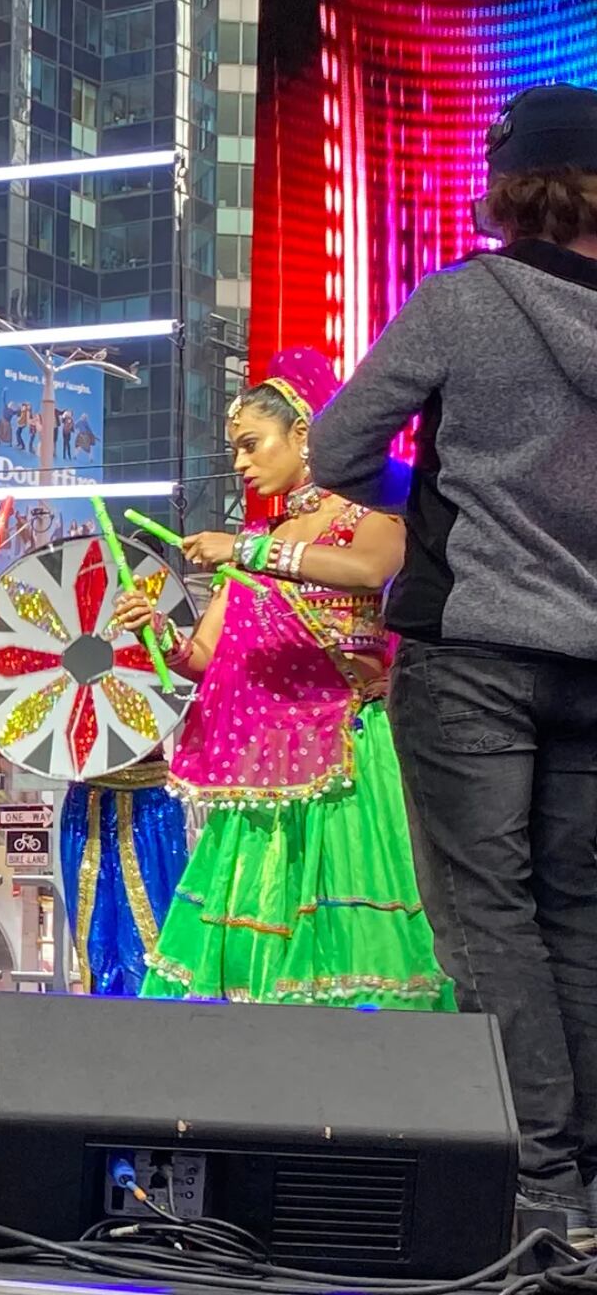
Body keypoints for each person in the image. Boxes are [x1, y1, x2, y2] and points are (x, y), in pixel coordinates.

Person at [308, 84, 597, 1225]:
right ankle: (587, 1178)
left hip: (471, 649)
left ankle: (541, 1183)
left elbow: (336, 450)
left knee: (487, 916)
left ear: (510, 182)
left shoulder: (464, 300)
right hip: (593, 664)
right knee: (579, 912)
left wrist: (437, 491)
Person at [109, 374, 450, 1012]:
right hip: (265, 766)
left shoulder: (370, 507)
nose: (240, 463)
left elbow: (370, 570)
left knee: (353, 934)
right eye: (235, 449)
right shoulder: (257, 543)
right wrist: (157, 632)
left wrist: (248, 548)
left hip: (349, 755)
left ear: (303, 434)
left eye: (250, 444)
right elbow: (206, 657)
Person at [56, 758, 187, 997]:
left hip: (148, 801)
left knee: (152, 936)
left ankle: (157, 1022)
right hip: (87, 800)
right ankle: (107, 1022)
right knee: (96, 942)